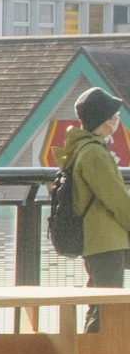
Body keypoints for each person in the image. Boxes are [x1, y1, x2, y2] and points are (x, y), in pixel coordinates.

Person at [67, 88, 130, 304]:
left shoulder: (84, 148)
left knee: (100, 303)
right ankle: (97, 328)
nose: (117, 120)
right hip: (105, 241)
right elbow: (117, 200)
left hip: (101, 240)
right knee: (106, 306)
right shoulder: (94, 153)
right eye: (115, 116)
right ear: (104, 121)